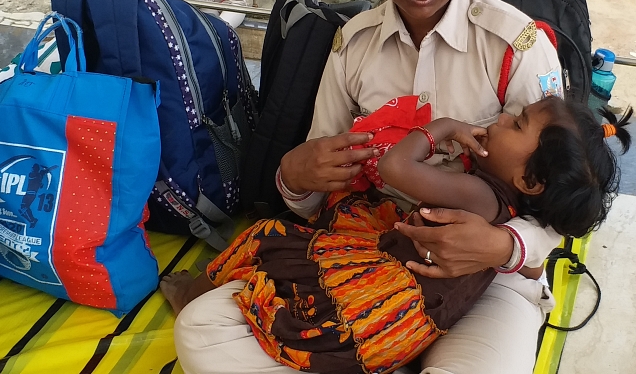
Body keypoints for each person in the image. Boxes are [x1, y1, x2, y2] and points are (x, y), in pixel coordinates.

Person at [170, 0, 572, 372]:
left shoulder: (517, 46)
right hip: (362, 251)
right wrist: (295, 177)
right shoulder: (354, 44)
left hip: (483, 275)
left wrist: (504, 246)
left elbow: (562, 197)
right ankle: (377, 352)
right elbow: (317, 193)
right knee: (201, 332)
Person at [162, 96, 631, 374]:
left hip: (381, 302)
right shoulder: (500, 198)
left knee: (264, 237)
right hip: (407, 314)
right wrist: (297, 171)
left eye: (517, 123)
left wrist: (439, 129)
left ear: (531, 183)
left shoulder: (480, 195)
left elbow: (393, 167)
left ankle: (193, 289)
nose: (503, 117)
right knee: (206, 327)